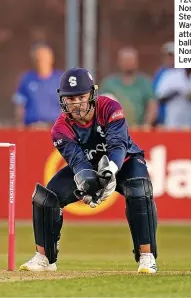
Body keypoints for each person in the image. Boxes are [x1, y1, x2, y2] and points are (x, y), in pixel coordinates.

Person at [20, 68, 158, 273]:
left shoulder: (110, 107)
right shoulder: (60, 128)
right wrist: (89, 185)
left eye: (81, 97)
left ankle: (146, 256)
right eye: (70, 98)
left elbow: (118, 145)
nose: (76, 103)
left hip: (125, 161)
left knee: (139, 190)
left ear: (92, 95)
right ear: (62, 100)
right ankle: (44, 257)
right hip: (90, 165)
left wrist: (110, 171)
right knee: (46, 198)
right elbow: (78, 162)